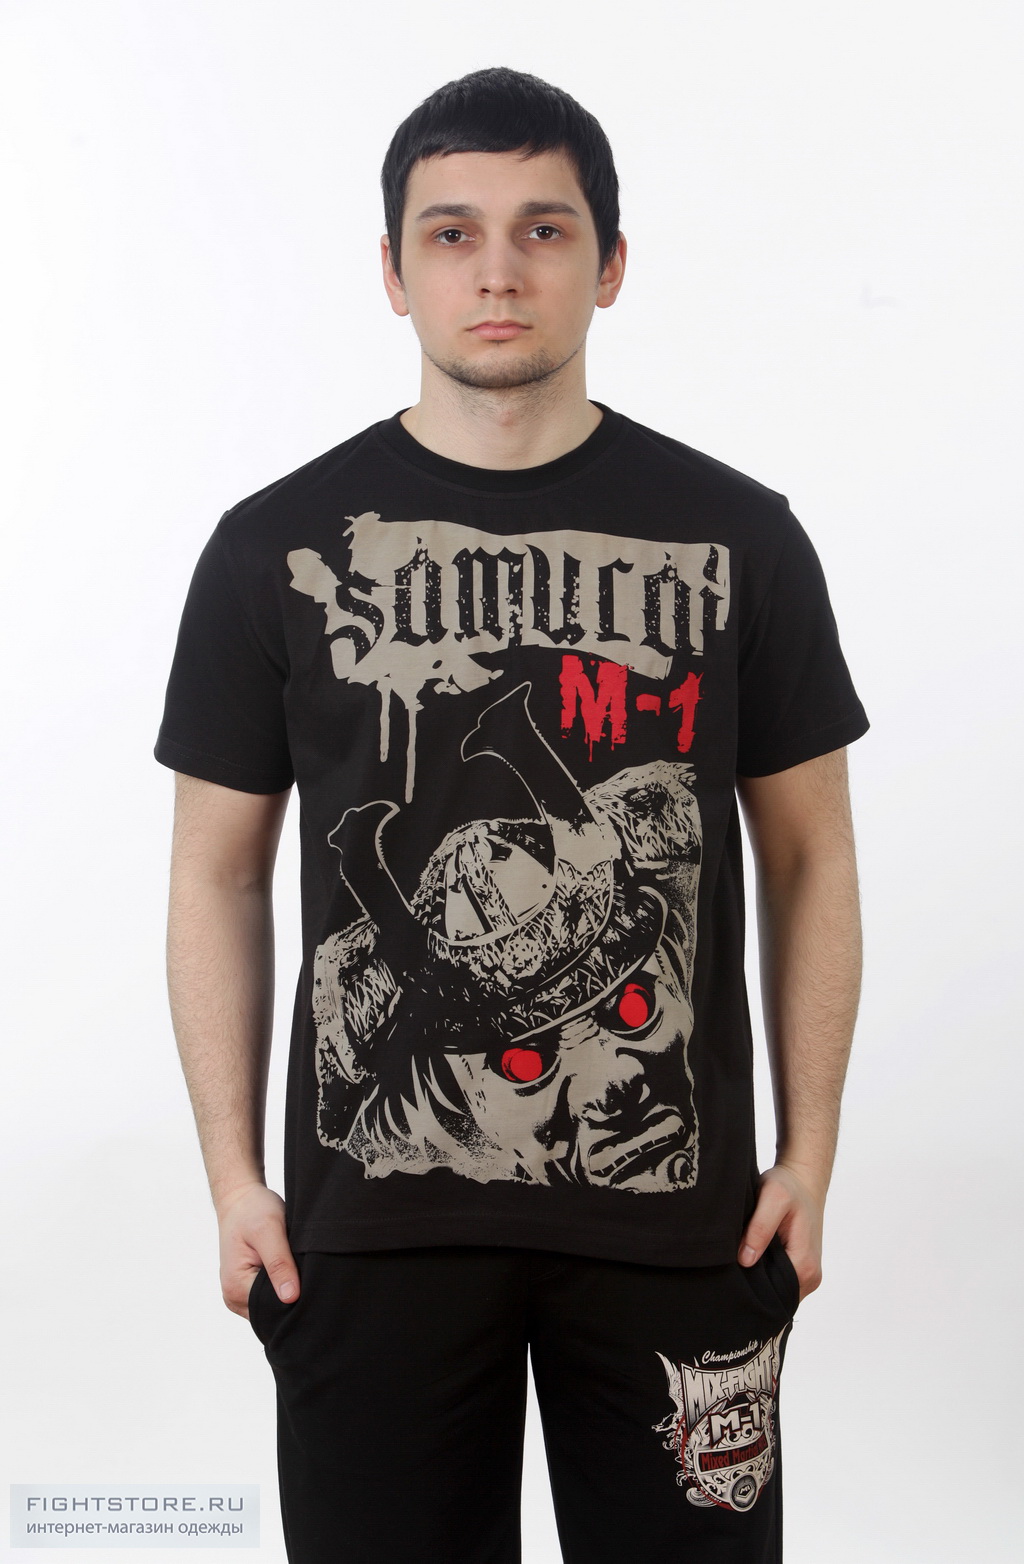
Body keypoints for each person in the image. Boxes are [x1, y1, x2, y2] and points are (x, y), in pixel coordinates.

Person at [157, 65, 867, 1563]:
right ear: (393, 271)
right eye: (452, 233)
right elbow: (217, 875)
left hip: (682, 1226)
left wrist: (810, 1155)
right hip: (368, 1235)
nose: (496, 270)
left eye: (544, 229)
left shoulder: (742, 538)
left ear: (609, 264)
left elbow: (809, 855)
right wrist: (233, 1179)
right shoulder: (272, 549)